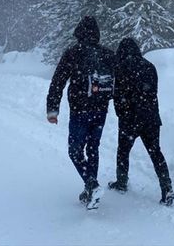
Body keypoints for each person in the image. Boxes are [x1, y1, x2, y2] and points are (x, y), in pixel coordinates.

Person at [46, 16, 115, 210]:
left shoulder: (73, 53)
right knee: (93, 148)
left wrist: (53, 109)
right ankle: (89, 188)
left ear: (79, 32)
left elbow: (58, 81)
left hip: (80, 110)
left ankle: (91, 185)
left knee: (75, 150)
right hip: (101, 110)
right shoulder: (108, 54)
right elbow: (120, 81)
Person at [108, 38, 174, 206]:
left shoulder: (120, 68)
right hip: (150, 118)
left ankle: (121, 182)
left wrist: (121, 113)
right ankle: (167, 188)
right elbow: (152, 92)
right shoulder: (150, 66)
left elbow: (117, 95)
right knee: (156, 152)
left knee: (123, 151)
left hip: (129, 119)